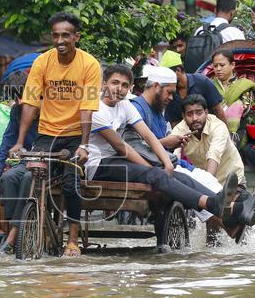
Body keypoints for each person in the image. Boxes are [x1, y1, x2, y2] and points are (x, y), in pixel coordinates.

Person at [86, 64, 230, 223]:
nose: (119, 89)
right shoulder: (96, 109)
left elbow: (148, 135)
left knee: (176, 174)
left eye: (125, 85)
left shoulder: (125, 104)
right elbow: (121, 147)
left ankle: (222, 204)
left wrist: (167, 164)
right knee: (157, 174)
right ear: (103, 84)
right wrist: (153, 169)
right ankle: (210, 204)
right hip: (98, 165)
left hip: (118, 160)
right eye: (115, 83)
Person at [9, 12, 101, 257]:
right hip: (47, 134)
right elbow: (30, 102)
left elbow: (87, 107)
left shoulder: (89, 64)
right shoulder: (42, 62)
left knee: (71, 184)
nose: (60, 40)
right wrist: (20, 142)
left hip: (74, 135)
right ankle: (20, 232)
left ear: (76, 37)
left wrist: (84, 145)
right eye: (56, 35)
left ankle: (73, 239)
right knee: (30, 177)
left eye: (66, 35)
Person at [171, 95, 255, 236]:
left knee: (242, 227)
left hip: (231, 180)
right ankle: (238, 216)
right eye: (190, 114)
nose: (195, 118)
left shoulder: (218, 126)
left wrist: (206, 188)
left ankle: (244, 212)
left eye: (199, 113)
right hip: (203, 184)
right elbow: (173, 156)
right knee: (212, 233)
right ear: (184, 116)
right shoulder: (179, 130)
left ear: (206, 112)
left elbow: (213, 155)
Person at [0, 74, 38, 246]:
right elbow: (7, 140)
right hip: (22, 162)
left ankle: (14, 233)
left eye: (23, 96)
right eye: (17, 97)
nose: (20, 101)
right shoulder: (16, 111)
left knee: (27, 178)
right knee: (7, 178)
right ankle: (13, 225)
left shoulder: (48, 110)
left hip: (44, 160)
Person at [211, 50, 255, 167]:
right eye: (215, 66)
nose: (218, 69)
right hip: (212, 129)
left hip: (238, 131)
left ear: (232, 65)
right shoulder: (209, 85)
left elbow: (245, 110)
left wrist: (222, 109)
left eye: (222, 65)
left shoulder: (245, 86)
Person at [159, 50, 227, 126]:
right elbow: (174, 123)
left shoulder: (202, 82)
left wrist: (225, 131)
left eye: (168, 75)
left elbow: (218, 111)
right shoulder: (170, 93)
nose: (166, 79)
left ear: (178, 70)